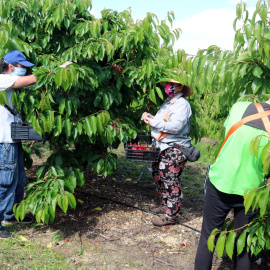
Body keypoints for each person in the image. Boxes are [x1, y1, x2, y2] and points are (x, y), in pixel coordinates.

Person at [194, 99, 270, 270]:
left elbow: (230, 133)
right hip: (251, 191)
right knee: (242, 245)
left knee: (208, 237)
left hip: (221, 182)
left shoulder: (239, 106)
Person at [141, 78, 193, 226]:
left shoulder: (182, 104)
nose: (169, 87)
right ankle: (165, 204)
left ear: (180, 87)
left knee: (170, 179)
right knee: (158, 175)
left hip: (175, 147)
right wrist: (150, 117)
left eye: (173, 84)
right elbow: (162, 121)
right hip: (162, 145)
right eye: (168, 84)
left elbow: (175, 127)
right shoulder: (169, 103)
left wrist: (153, 122)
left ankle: (172, 214)